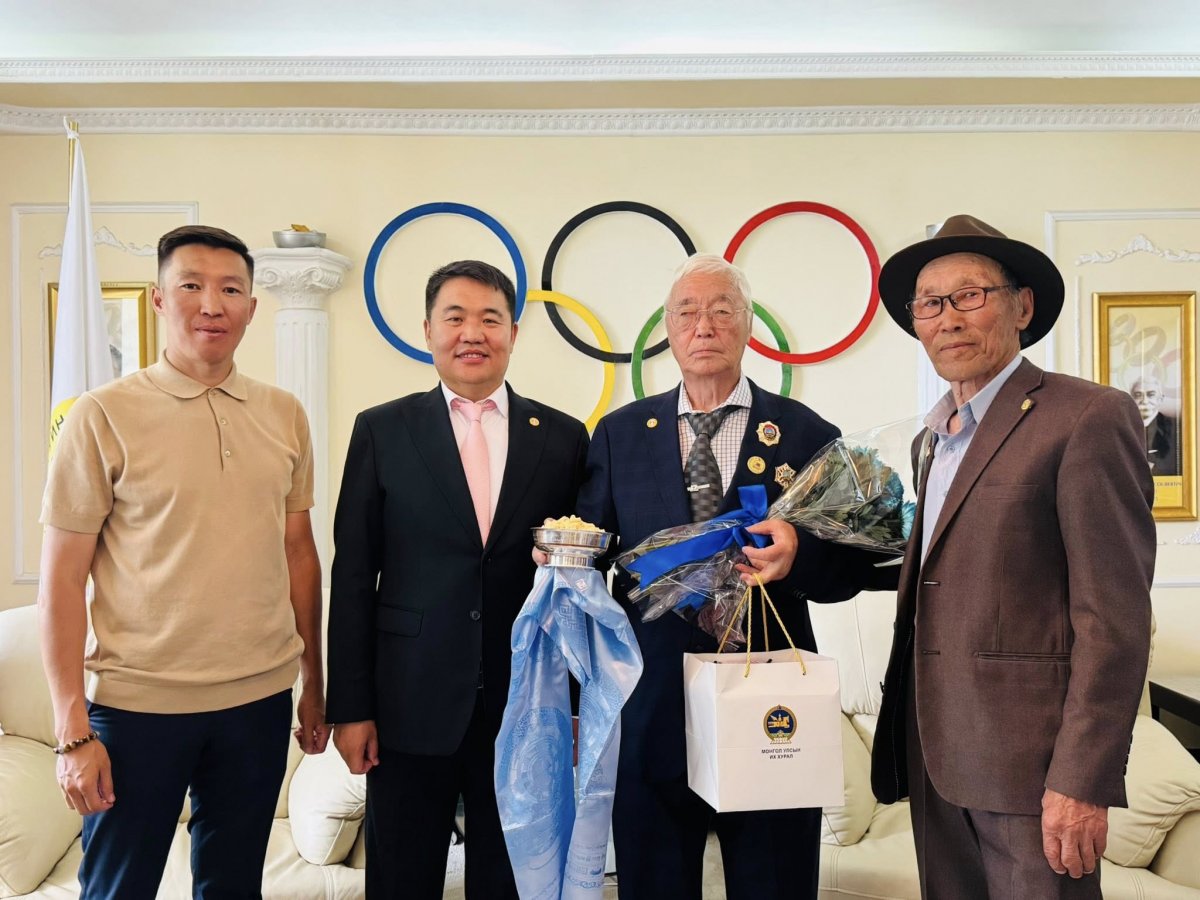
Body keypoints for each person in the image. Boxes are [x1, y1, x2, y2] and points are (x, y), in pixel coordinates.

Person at [574, 253, 891, 900]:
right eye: (688, 312)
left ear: (748, 326)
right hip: (650, 701)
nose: (705, 325)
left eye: (723, 310)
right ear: (667, 329)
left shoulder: (806, 433)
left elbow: (856, 563)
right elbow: (591, 558)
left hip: (769, 697)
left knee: (774, 881)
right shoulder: (620, 434)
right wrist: (562, 563)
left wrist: (799, 553)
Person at [39, 224, 329, 900]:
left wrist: (313, 681)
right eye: (192, 286)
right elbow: (61, 582)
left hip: (258, 702)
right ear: (159, 299)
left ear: (251, 307)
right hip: (137, 707)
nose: (212, 304)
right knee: (118, 890)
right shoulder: (101, 415)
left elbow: (299, 553)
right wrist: (71, 733)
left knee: (234, 888)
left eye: (230, 290)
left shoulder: (284, 414)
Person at [870, 214, 1156, 899]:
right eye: (930, 304)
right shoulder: (930, 441)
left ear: (1021, 307)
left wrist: (1081, 780)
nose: (948, 318)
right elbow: (947, 570)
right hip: (936, 753)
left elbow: (1113, 619)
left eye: (970, 296)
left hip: (1033, 772)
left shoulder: (1087, 417)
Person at [326, 260, 590, 899]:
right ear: (428, 330)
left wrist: (578, 705)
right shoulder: (382, 430)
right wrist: (351, 709)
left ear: (513, 333)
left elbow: (581, 585)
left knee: (510, 881)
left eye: (490, 319)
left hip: (525, 705)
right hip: (407, 703)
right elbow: (354, 574)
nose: (473, 333)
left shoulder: (562, 437)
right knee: (401, 880)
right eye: (455, 317)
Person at [1130, 374, 1180, 476]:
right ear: (1131, 400)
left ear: (1160, 399)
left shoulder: (1176, 429)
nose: (1145, 401)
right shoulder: (1123, 427)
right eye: (1138, 395)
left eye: (1151, 395)